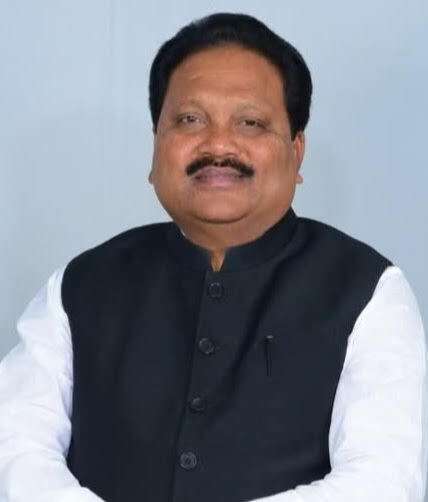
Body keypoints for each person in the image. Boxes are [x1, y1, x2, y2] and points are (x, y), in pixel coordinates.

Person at [0, 12, 426, 502]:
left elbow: (382, 481)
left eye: (250, 123)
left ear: (297, 152)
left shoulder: (370, 291)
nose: (219, 144)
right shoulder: (79, 286)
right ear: (156, 146)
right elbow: (17, 449)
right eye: (190, 120)